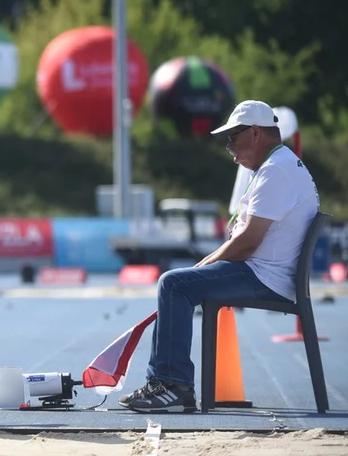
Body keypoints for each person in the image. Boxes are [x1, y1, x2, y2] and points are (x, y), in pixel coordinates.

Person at [120, 100, 320, 412]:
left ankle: (173, 386)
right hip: (266, 272)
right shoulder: (278, 165)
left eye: (232, 138)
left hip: (264, 277)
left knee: (175, 284)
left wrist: (208, 262)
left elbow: (249, 241)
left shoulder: (276, 171)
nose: (228, 147)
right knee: (176, 283)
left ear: (255, 133)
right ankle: (163, 382)